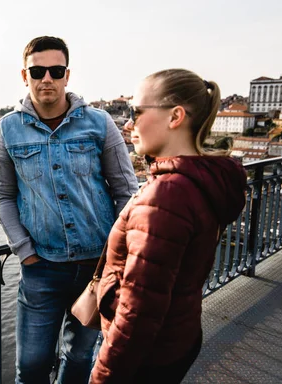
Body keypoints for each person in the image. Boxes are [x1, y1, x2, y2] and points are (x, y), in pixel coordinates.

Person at [0, 36, 138, 384]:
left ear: (67, 75)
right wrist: (25, 252)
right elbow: (3, 195)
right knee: (31, 365)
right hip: (42, 267)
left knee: (79, 355)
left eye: (55, 71)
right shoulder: (8, 129)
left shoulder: (99, 123)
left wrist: (116, 257)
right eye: (37, 71)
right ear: (24, 76)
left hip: (96, 266)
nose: (47, 79)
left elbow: (126, 191)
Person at [90, 69, 248, 383]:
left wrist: (102, 378)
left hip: (147, 357)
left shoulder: (167, 195)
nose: (128, 124)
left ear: (175, 116)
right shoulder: (199, 181)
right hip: (179, 335)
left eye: (136, 112)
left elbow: (138, 313)